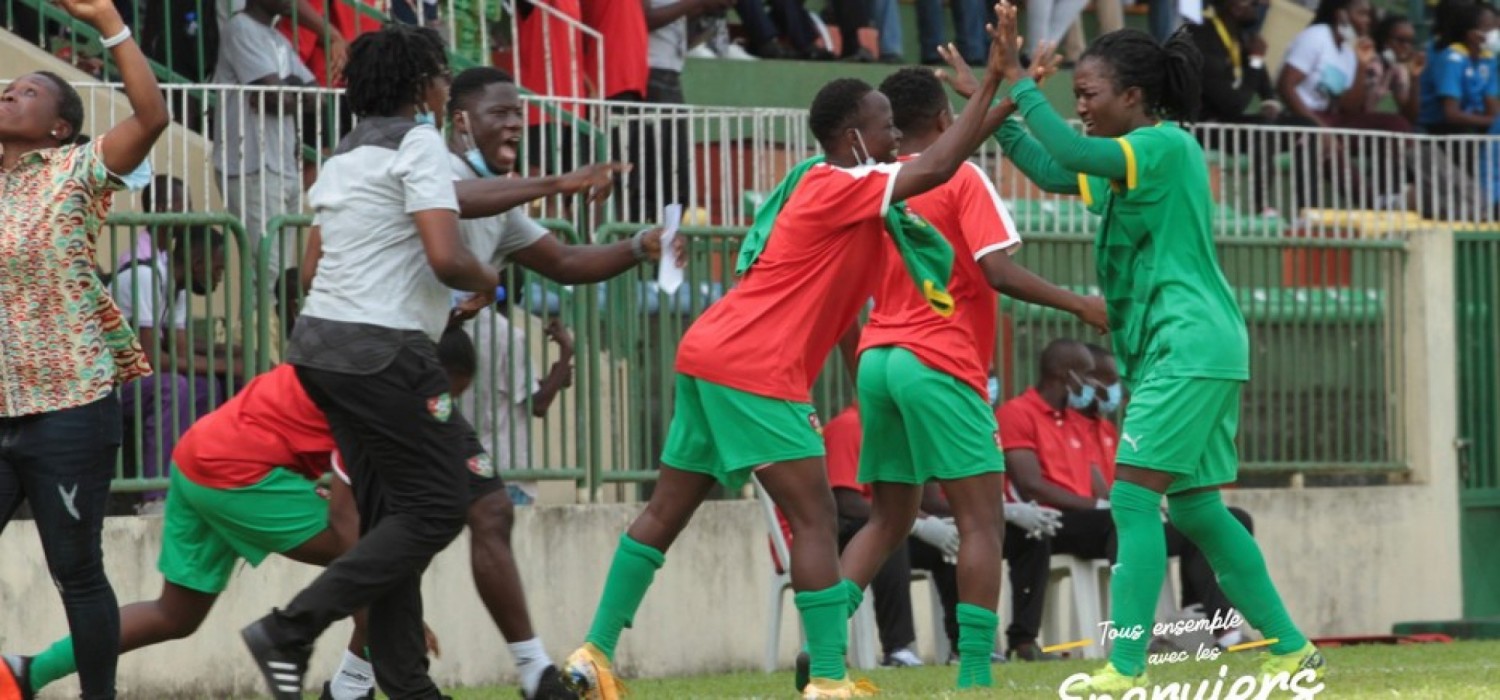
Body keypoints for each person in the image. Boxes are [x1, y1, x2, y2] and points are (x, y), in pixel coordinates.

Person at [563, 14, 1012, 697]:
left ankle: (592, 655)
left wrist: (853, 369)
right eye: (886, 125)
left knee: (664, 512)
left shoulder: (816, 183)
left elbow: (828, 312)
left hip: (711, 350)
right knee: (815, 519)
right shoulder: (840, 185)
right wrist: (997, 81)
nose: (896, 137)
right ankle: (828, 680)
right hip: (753, 368)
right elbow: (942, 163)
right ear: (855, 136)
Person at [988, 22, 1322, 692]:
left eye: (1088, 93)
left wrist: (1020, 82)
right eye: (1075, 94)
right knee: (1197, 510)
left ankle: (1127, 667)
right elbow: (1055, 167)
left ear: (1133, 96)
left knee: (1133, 503)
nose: (1079, 106)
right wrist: (996, 108)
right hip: (1188, 347)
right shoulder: (1127, 160)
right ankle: (1291, 647)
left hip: (1187, 344)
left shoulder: (1161, 146)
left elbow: (1063, 148)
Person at [235, 24, 502, 700]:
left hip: (321, 352)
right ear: (422, 86)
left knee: (392, 522)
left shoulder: (343, 154)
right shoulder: (419, 142)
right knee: (440, 510)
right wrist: (485, 278)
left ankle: (408, 687)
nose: (448, 88)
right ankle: (290, 627)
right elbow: (445, 255)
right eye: (443, 76)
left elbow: (310, 266)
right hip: (385, 352)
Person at [831, 59, 1107, 691]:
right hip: (940, 360)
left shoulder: (879, 183)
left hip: (880, 360)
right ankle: (977, 674)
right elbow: (1000, 273)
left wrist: (1004, 98)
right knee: (982, 521)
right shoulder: (966, 182)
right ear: (944, 119)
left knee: (887, 520)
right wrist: (1082, 305)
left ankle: (822, 647)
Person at [0, 0, 169, 696]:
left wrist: (109, 23)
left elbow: (152, 118)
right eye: (9, 86)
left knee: (75, 569)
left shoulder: (76, 171)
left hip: (70, 405)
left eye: (29, 91)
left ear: (59, 128)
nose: (10, 90)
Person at [1078, 343, 1253, 650]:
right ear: (1078, 378)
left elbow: (1117, 483)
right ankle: (1137, 635)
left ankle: (1213, 627)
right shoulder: (1033, 417)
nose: (1114, 389)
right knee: (1123, 523)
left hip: (1115, 511)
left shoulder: (1104, 429)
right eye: (1107, 379)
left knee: (1221, 520)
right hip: (1077, 520)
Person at [212, 0, 319, 335]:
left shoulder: (279, 39)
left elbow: (316, 98)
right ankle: (258, 350)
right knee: (267, 269)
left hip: (283, 163)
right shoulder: (241, 28)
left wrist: (285, 90)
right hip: (250, 164)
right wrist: (287, 93)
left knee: (284, 274)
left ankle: (271, 348)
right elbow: (278, 98)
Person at [113, 226, 237, 507]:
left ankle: (197, 483)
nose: (219, 278)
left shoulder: (176, 288)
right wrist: (227, 365)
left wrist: (227, 364)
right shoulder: (146, 277)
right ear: (197, 264)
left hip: (132, 377)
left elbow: (182, 354)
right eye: (217, 269)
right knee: (171, 386)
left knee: (206, 387)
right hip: (104, 381)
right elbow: (150, 358)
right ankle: (156, 496)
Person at [1419, 1, 1499, 134]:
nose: (1496, 34)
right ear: (1472, 34)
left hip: (1473, 122)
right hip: (1438, 127)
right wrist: (1495, 122)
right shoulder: (1452, 58)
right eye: (1490, 28)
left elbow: (1492, 105)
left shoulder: (1488, 59)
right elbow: (1451, 114)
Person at [1371, 13, 1425, 126]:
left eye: (1411, 42)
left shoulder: (1400, 70)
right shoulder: (1371, 64)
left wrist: (1415, 77)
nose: (1406, 46)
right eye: (1401, 40)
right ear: (1385, 40)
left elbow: (1410, 116)